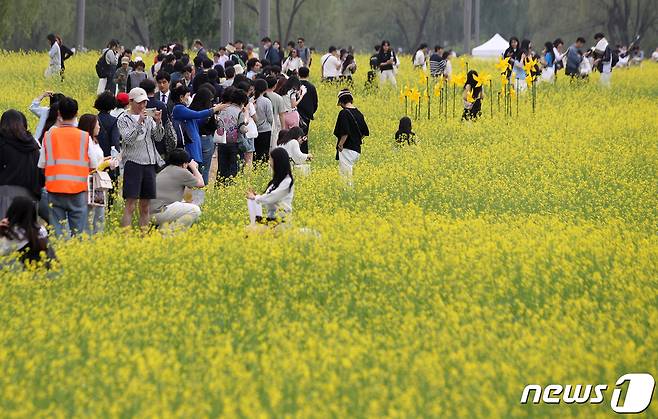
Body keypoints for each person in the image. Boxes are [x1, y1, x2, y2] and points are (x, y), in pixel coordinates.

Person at [38, 97, 96, 237]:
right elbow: (93, 164)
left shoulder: (49, 136)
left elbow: (41, 164)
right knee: (78, 232)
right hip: (78, 190)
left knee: (59, 232)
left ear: (59, 113)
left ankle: (60, 257)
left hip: (54, 189)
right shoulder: (84, 136)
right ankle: (74, 257)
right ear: (77, 113)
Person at [117, 88, 164, 229]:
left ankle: (143, 236)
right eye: (139, 103)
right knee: (130, 204)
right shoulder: (123, 119)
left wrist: (159, 122)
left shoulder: (149, 118)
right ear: (131, 102)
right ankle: (126, 237)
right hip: (134, 163)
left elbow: (158, 137)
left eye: (144, 102)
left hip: (150, 163)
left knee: (145, 205)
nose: (143, 106)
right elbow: (128, 139)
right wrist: (139, 123)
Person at [0, 110, 41, 219]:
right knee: (25, 231)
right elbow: (40, 171)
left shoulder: (2, 142)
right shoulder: (33, 145)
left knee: (5, 231)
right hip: (29, 195)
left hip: (4, 194)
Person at [150, 149, 203, 230]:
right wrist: (194, 168)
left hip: (149, 214)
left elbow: (187, 197)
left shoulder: (164, 170)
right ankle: (168, 235)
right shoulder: (181, 171)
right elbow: (201, 184)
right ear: (185, 164)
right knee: (195, 210)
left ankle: (161, 229)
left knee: (183, 204)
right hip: (160, 212)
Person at [0, 197, 55, 268]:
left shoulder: (14, 234)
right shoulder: (41, 230)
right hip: (45, 271)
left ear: (12, 211)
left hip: (22, 273)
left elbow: (2, 251)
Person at [247, 147, 294, 226]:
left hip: (281, 222)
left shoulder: (287, 182)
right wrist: (258, 196)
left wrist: (255, 198)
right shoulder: (276, 181)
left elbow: (272, 197)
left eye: (271, 160)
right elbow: (269, 196)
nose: (269, 162)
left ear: (278, 162)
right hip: (272, 219)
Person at [77, 114, 108, 235]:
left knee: (97, 213)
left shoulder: (94, 140)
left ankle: (95, 238)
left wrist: (105, 160)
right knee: (95, 213)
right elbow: (93, 163)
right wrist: (106, 163)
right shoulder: (87, 140)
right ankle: (92, 238)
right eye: (97, 124)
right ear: (90, 126)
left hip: (96, 179)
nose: (99, 127)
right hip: (92, 180)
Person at [334, 89, 369, 179]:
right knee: (350, 172)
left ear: (341, 101)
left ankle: (347, 191)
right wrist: (356, 138)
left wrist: (340, 144)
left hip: (347, 149)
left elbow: (345, 132)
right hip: (356, 149)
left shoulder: (344, 113)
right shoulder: (359, 113)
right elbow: (365, 132)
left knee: (345, 176)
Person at [296, 67, 317, 154]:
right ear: (308, 74)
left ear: (298, 74)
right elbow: (315, 103)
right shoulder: (311, 87)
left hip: (295, 114)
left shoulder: (295, 86)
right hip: (306, 116)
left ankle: (294, 153)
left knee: (294, 135)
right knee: (304, 135)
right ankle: (304, 153)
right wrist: (311, 112)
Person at [253, 79, 274, 164]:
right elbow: (270, 118)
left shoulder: (251, 100)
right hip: (265, 130)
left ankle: (255, 169)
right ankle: (262, 168)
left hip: (254, 130)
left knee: (255, 152)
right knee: (264, 153)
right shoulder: (266, 101)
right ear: (265, 89)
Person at [265, 76, 286, 151]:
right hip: (275, 124)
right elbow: (281, 114)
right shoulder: (278, 98)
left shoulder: (260, 96)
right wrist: (283, 128)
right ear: (275, 85)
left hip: (261, 125)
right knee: (273, 146)